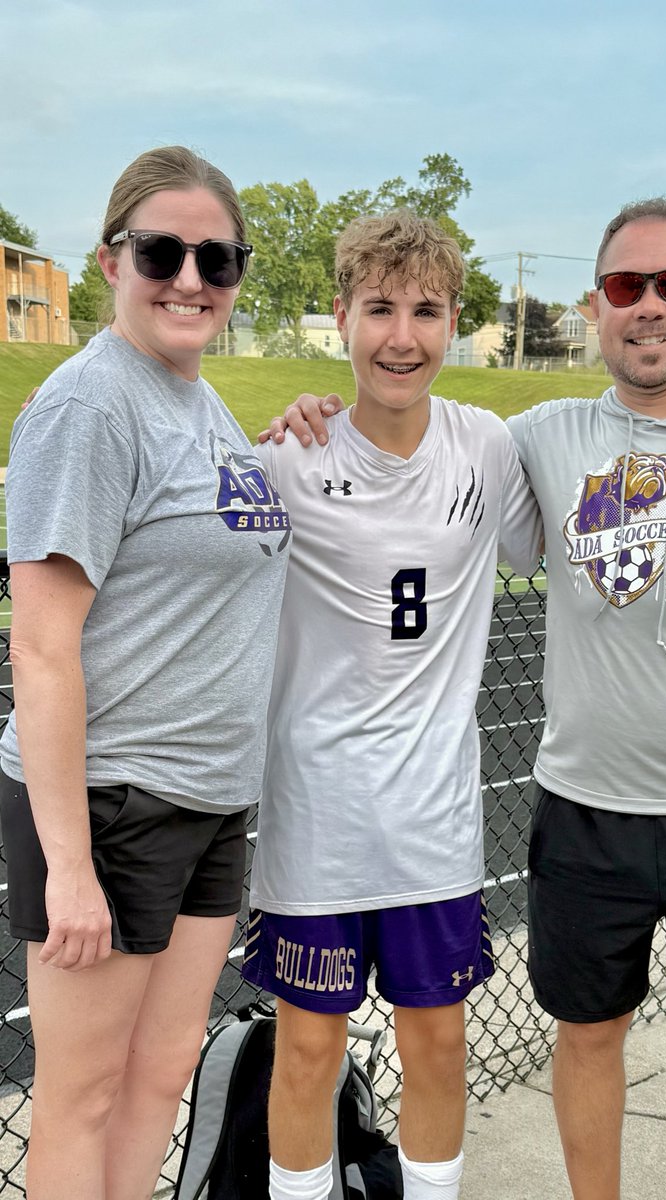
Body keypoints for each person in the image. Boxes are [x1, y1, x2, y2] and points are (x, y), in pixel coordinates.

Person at [269, 197, 666, 1200]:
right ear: (594, 304)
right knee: (584, 1037)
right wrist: (309, 412)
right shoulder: (542, 435)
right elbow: (393, 428)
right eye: (622, 287)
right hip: (578, 808)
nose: (646, 307)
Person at [0, 146, 291, 1200]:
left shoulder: (198, 404)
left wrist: (285, 439)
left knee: (161, 1076)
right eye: (163, 251)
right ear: (110, 259)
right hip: (113, 800)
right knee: (80, 1096)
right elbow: (39, 645)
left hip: (210, 797)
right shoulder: (91, 407)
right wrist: (68, 863)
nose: (190, 278)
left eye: (218, 259)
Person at [242, 209, 542, 1200]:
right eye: (378, 309)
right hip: (317, 818)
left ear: (453, 320)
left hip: (434, 822)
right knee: (305, 1053)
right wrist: (271, 424)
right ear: (340, 317)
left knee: (438, 1047)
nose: (401, 335)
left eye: (425, 310)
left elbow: (567, 543)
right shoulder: (287, 459)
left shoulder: (485, 447)